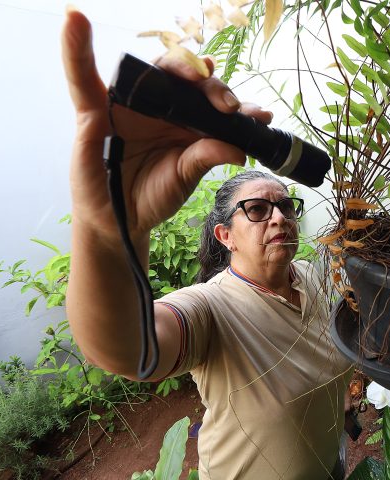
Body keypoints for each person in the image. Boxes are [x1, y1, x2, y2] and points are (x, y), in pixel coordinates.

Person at [61, 8, 352, 479]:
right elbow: (128, 349)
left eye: (286, 205)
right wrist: (109, 231)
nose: (279, 217)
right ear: (224, 235)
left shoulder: (312, 280)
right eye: (256, 209)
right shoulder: (210, 310)